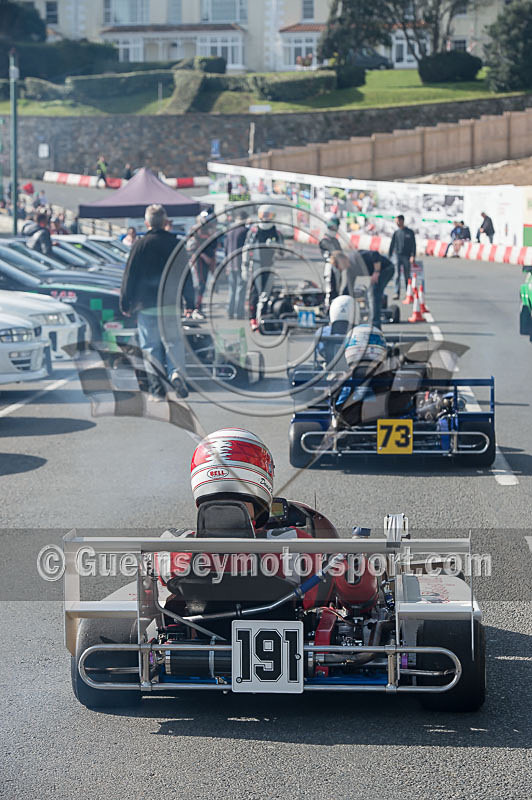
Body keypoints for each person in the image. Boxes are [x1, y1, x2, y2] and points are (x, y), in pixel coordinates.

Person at [120, 203, 187, 400]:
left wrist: (125, 302)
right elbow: (186, 275)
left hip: (147, 305)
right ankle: (176, 374)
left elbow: (129, 275)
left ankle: (157, 389)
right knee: (174, 343)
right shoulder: (176, 244)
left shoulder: (140, 245)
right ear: (165, 222)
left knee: (151, 346)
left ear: (146, 223)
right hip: (171, 304)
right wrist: (190, 301)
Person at [242, 204, 284, 331]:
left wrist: (275, 246)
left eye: (268, 215)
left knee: (267, 293)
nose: (266, 218)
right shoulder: (254, 231)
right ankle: (253, 318)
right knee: (255, 293)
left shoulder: (276, 232)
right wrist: (245, 265)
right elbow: (246, 249)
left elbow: (282, 252)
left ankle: (264, 317)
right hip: (256, 265)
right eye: (263, 215)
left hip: (270, 265)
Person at [187, 210, 218, 319]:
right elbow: (192, 247)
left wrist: (212, 259)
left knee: (203, 285)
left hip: (208, 260)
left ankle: (197, 307)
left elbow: (214, 245)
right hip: (199, 261)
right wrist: (203, 256)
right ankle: (196, 308)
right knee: (200, 284)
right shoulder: (196, 230)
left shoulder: (211, 229)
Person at [224, 210, 248, 319]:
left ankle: (230, 312)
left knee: (232, 289)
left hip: (230, 264)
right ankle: (239, 312)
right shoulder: (245, 231)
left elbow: (225, 249)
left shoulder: (230, 232)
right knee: (241, 289)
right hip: (241, 264)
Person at [388, 214, 416, 300]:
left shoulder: (409, 232)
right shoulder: (396, 233)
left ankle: (408, 293)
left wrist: (413, 256)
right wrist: (390, 256)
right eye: (396, 221)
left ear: (402, 221)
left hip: (406, 256)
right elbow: (392, 244)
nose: (397, 223)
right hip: (397, 256)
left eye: (398, 221)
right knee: (397, 275)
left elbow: (413, 245)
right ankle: (396, 293)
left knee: (407, 275)